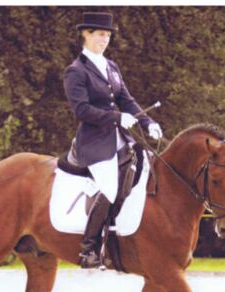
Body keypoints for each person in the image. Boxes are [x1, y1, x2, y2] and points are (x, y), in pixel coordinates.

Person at [63, 11, 163, 269]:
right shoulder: (76, 71)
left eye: (107, 35)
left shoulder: (111, 67)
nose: (104, 39)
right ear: (85, 35)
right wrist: (116, 117)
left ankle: (119, 237)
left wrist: (148, 122)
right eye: (100, 34)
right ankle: (88, 250)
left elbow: (126, 100)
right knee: (109, 187)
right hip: (94, 142)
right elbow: (81, 110)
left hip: (119, 138)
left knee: (146, 171)